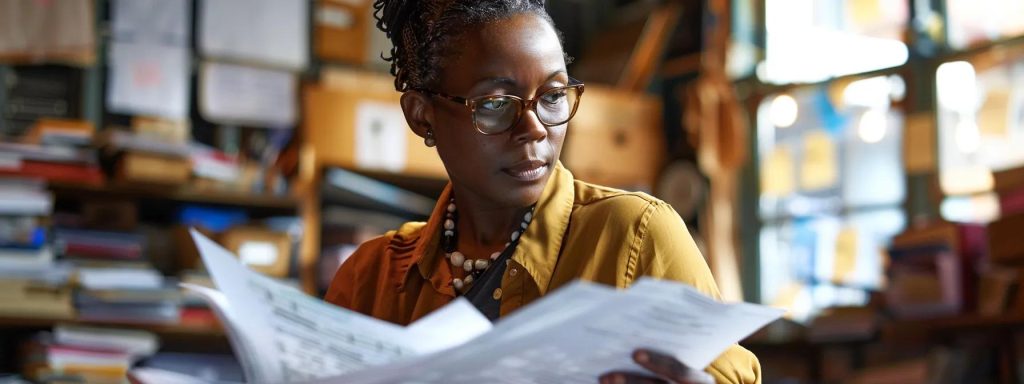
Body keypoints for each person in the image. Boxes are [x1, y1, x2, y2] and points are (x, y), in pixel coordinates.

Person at [325, 1, 761, 382]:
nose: (534, 129)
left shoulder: (635, 236)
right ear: (422, 116)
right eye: (495, 103)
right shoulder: (370, 279)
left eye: (552, 95)